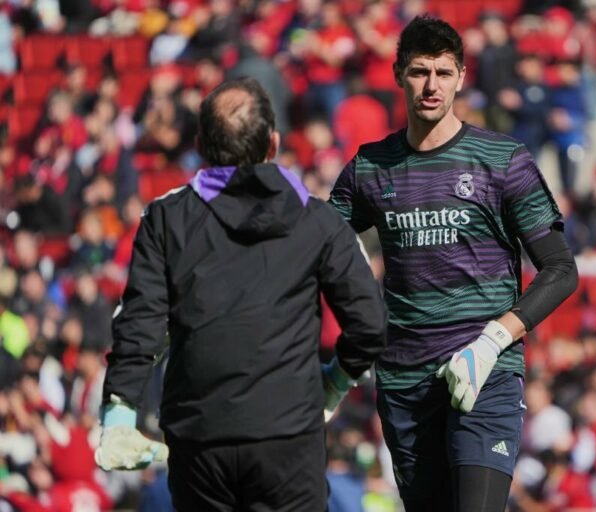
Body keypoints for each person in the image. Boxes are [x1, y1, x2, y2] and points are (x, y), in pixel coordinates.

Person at [95, 77, 388, 511]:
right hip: (288, 437)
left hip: (198, 441)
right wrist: (334, 382)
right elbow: (371, 322)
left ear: (199, 144)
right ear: (273, 143)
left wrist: (120, 410)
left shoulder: (166, 218)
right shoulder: (319, 220)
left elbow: (140, 322)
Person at [329, 15, 578, 511]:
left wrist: (493, 340)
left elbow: (561, 270)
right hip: (403, 381)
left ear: (462, 77)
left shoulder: (503, 159)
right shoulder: (368, 167)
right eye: (420, 72)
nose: (432, 85)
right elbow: (315, 244)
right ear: (399, 74)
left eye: (444, 73)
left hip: (485, 372)